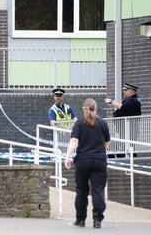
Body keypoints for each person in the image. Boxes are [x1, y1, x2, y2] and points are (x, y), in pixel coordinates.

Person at [64, 98, 110, 229]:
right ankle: (97, 220)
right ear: (96, 108)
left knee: (81, 190)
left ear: (84, 108)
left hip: (83, 161)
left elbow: (73, 142)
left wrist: (67, 157)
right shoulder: (103, 123)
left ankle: (80, 219)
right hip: (99, 161)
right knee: (98, 190)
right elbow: (106, 143)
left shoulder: (79, 123)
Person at [104, 83, 141, 157]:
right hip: (124, 128)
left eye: (125, 90)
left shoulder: (133, 100)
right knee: (124, 145)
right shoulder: (129, 99)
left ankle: (130, 159)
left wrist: (111, 102)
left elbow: (123, 107)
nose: (124, 91)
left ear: (131, 91)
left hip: (130, 128)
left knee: (129, 146)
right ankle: (125, 156)